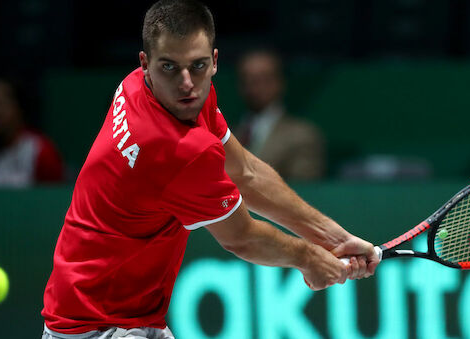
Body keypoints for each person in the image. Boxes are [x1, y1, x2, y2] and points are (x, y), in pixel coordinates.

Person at [41, 1, 379, 338]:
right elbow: (243, 238)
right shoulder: (176, 150)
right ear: (145, 63)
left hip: (114, 314)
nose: (187, 83)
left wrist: (334, 237)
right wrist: (310, 259)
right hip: (96, 326)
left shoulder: (138, 88)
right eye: (170, 67)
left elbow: (245, 172)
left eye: (198, 66)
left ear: (214, 61)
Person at [235, 49, 326, 180]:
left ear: (279, 82)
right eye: (246, 80)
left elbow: (303, 191)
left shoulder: (302, 136)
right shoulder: (229, 134)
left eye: (262, 79)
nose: (252, 87)